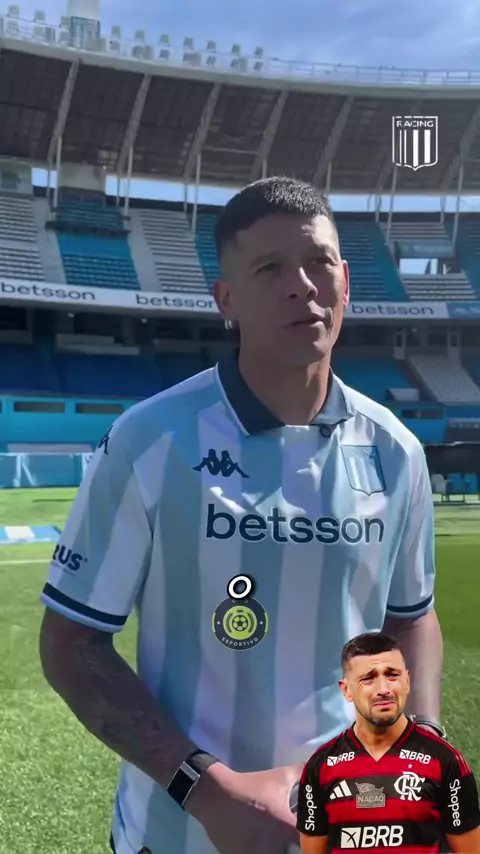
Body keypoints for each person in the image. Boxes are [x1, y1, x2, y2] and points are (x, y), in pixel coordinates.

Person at [38, 176, 444, 854]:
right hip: (182, 830)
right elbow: (71, 641)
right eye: (270, 269)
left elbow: (410, 617)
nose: (302, 286)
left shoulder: (395, 451)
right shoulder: (152, 439)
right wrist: (206, 789)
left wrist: (419, 745)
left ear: (345, 280)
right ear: (226, 299)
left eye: (318, 262)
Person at [296, 632, 480, 853]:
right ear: (346, 690)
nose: (383, 689)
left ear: (407, 681)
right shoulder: (321, 766)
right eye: (368, 678)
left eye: (392, 675)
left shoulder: (445, 761)